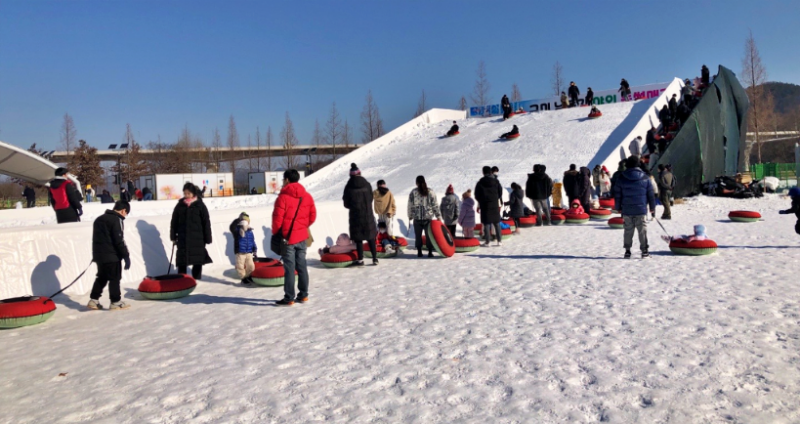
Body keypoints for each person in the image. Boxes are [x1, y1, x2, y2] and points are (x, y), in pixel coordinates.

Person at [272, 169, 316, 306]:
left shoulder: (282, 198)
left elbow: (277, 221)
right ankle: (303, 295)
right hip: (302, 236)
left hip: (288, 238)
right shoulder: (307, 196)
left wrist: (278, 233)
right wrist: (302, 227)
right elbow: (312, 216)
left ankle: (289, 297)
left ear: (287, 180)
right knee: (302, 265)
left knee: (289, 268)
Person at [87, 200, 131, 310]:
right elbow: (119, 240)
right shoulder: (116, 220)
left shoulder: (99, 219)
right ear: (123, 210)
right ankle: (115, 301)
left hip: (99, 255)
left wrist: (96, 255)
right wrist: (126, 256)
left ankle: (94, 299)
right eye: (126, 213)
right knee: (114, 278)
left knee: (101, 277)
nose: (125, 215)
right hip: (112, 255)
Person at [614, 155, 656, 259]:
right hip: (641, 209)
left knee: (628, 230)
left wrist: (618, 207)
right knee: (642, 231)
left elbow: (618, 194)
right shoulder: (645, 178)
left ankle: (627, 251)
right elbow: (651, 194)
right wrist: (652, 207)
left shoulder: (622, 177)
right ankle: (644, 251)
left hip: (627, 209)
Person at [170, 183, 212, 279]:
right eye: (185, 193)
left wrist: (207, 237)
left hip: (197, 238)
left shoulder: (200, 205)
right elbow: (174, 222)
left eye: (188, 193)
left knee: (197, 260)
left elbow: (206, 222)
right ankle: (182, 280)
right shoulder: (180, 205)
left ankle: (196, 279)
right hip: (183, 237)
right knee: (181, 260)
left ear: (193, 193)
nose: (187, 195)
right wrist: (173, 236)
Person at [342, 163, 378, 266]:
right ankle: (375, 258)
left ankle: (360, 259)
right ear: (359, 173)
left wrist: (354, 207)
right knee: (370, 237)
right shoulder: (367, 184)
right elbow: (371, 199)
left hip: (355, 216)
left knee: (358, 239)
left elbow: (346, 203)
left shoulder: (348, 186)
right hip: (367, 214)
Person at [408, 175, 441, 257]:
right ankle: (430, 252)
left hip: (417, 218)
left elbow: (410, 205)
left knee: (418, 236)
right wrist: (438, 215)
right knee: (429, 236)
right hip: (428, 218)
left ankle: (419, 252)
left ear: (416, 183)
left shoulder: (413, 192)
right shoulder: (430, 192)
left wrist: (410, 215)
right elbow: (435, 205)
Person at [474, 166, 503, 247]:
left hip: (484, 204)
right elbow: (500, 193)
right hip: (494, 204)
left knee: (486, 223)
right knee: (496, 223)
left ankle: (487, 241)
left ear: (483, 172)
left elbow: (477, 194)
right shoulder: (496, 181)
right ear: (490, 172)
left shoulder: (480, 182)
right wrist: (495, 198)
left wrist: (481, 201)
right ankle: (499, 240)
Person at [230, 212, 257, 285]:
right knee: (240, 266)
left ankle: (248, 276)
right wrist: (237, 220)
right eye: (244, 221)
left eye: (247, 221)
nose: (245, 223)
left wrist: (254, 249)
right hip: (240, 252)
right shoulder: (237, 230)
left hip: (248, 252)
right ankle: (243, 278)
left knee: (251, 266)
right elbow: (232, 227)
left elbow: (252, 241)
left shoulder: (250, 231)